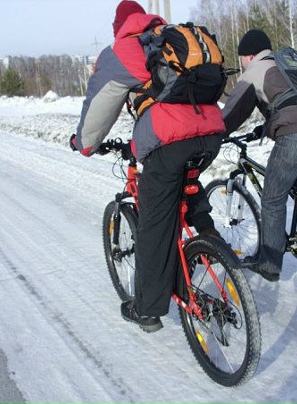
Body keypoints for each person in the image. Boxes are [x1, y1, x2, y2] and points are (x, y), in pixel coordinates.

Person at [71, 1, 225, 332]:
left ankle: (147, 310)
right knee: (184, 181)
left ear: (118, 27)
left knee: (154, 225)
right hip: (211, 132)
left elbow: (100, 106)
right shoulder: (169, 36)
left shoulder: (122, 50)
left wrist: (84, 143)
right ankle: (210, 239)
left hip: (169, 140)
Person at [221, 29, 297, 282]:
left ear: (249, 55)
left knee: (272, 200)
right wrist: (265, 128)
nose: (242, 63)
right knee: (289, 175)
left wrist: (213, 135)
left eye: (241, 58)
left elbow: (230, 114)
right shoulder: (283, 65)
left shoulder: (254, 71)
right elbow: (288, 103)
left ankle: (269, 265)